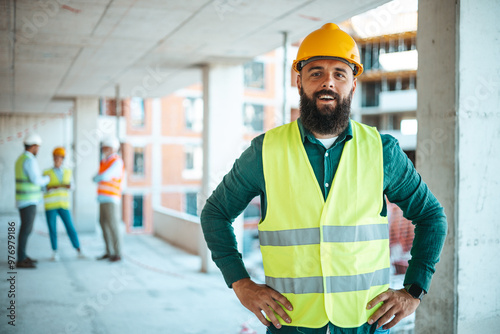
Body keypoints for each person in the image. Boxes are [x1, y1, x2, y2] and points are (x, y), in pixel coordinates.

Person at [200, 23, 447, 334]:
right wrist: (240, 283)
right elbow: (215, 214)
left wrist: (413, 291)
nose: (327, 82)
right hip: (292, 325)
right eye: (315, 72)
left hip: (365, 325)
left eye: (339, 73)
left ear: (353, 84)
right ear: (299, 81)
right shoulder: (265, 151)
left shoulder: (383, 151)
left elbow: (432, 216)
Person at [15, 133, 50, 269]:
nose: (38, 150)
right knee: (26, 230)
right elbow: (36, 180)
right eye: (38, 147)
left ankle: (22, 255)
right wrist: (46, 179)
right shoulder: (29, 160)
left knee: (25, 229)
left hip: (24, 200)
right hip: (28, 201)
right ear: (34, 146)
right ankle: (21, 259)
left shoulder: (20, 159)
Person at [43, 147, 84, 261]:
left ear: (63, 159)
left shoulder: (67, 171)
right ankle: (54, 251)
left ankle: (78, 249)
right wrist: (50, 187)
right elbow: (42, 187)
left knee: (70, 227)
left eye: (59, 158)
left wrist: (68, 186)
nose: (57, 160)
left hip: (64, 205)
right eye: (55, 157)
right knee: (52, 229)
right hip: (51, 206)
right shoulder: (47, 172)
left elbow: (73, 186)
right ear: (53, 158)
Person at [93, 136, 124, 262]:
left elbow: (105, 176)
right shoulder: (104, 161)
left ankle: (117, 253)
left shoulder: (116, 161)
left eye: (106, 147)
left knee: (113, 225)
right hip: (102, 198)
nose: (104, 149)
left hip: (111, 199)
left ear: (112, 148)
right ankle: (109, 251)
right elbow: (97, 177)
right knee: (103, 223)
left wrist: (99, 177)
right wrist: (99, 177)